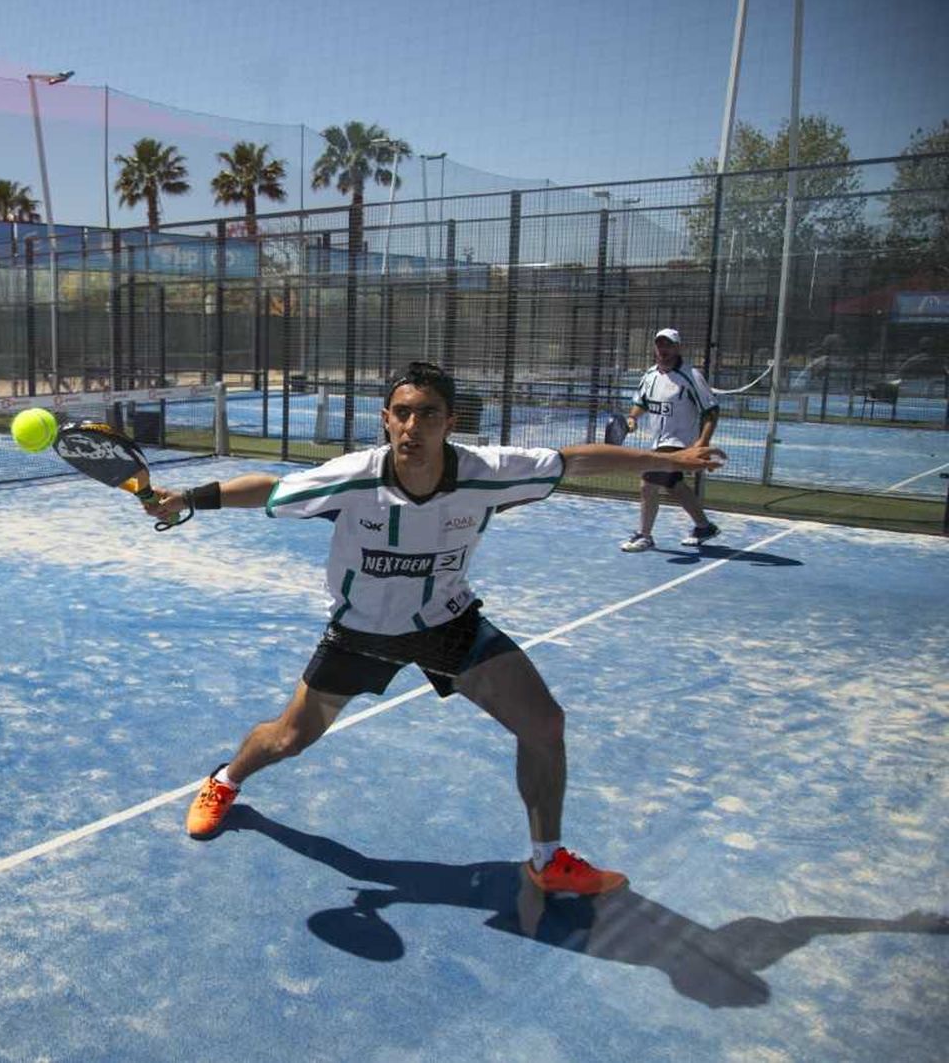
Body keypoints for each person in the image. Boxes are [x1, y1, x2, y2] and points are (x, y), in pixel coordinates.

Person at [144, 360, 727, 897]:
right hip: (362, 633)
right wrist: (189, 498)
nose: (412, 425)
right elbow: (267, 488)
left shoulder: (488, 473)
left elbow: (575, 460)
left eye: (427, 413)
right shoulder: (351, 478)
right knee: (290, 738)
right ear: (385, 419)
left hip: (447, 624)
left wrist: (672, 462)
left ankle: (547, 860)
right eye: (402, 412)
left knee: (544, 723)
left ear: (450, 421)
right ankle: (226, 778)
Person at [618, 328, 721, 553]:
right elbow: (642, 402)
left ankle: (644, 535)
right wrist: (633, 418)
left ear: (677, 347)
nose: (663, 349)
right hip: (659, 441)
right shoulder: (650, 376)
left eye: (668, 345)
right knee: (672, 484)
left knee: (648, 482)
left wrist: (702, 443)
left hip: (681, 442)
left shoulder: (691, 376)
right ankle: (704, 526)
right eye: (660, 344)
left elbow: (711, 412)